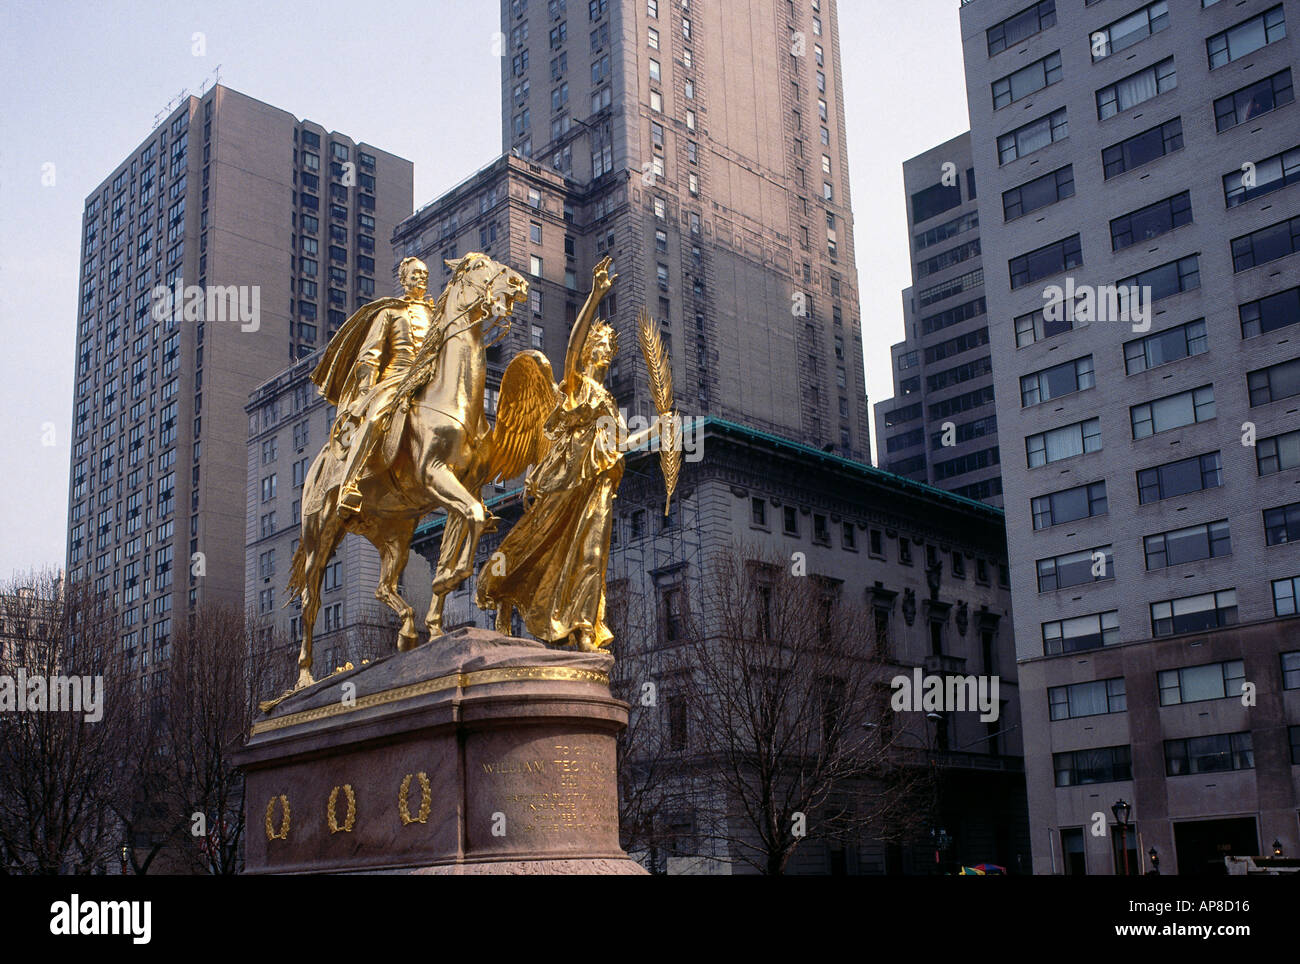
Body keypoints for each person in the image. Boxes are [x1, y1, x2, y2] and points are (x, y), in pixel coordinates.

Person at [476, 257, 625, 651]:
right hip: (565, 481)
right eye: (601, 346)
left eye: (609, 348)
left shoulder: (609, 401)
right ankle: (503, 589)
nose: (605, 353)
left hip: (597, 487)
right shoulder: (576, 386)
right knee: (533, 541)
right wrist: (594, 296)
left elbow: (613, 444)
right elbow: (572, 346)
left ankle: (584, 628)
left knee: (591, 554)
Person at [312, 257, 438, 520]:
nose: (421, 278)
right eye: (415, 274)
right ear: (403, 280)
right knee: (376, 418)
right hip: (396, 379)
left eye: (424, 274)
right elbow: (371, 353)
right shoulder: (389, 313)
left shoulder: (436, 315)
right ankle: (350, 483)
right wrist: (367, 392)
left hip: (429, 380)